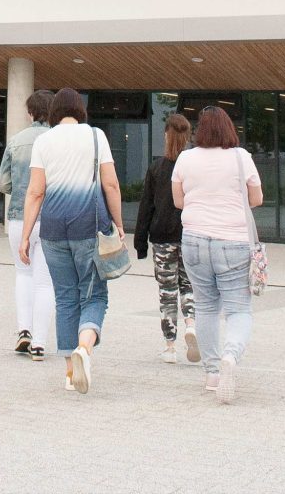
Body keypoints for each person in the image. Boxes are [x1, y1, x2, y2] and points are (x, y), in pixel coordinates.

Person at [19, 87, 124, 395]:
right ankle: (84, 349)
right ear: (81, 110)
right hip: (89, 228)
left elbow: (35, 191)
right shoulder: (95, 136)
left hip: (52, 231)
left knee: (65, 298)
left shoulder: (43, 140)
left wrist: (26, 235)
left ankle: (68, 372)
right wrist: (118, 224)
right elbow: (112, 184)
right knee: (94, 296)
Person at [172, 105, 262, 404]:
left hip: (194, 240)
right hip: (233, 241)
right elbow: (257, 198)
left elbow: (178, 200)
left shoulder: (185, 158)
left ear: (200, 129)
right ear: (228, 129)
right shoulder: (241, 157)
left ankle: (211, 374)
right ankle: (230, 357)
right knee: (238, 309)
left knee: (206, 307)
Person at [133, 113, 198, 365]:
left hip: (161, 237)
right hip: (190, 235)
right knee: (189, 286)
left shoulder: (157, 167)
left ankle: (170, 347)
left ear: (167, 136)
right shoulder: (194, 166)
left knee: (167, 290)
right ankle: (191, 324)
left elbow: (146, 206)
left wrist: (140, 242)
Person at [0, 89, 55, 360]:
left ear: (30, 112)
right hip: (50, 218)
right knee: (45, 282)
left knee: (23, 274)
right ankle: (40, 343)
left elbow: (2, 184)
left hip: (20, 217)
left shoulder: (16, 140)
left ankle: (24, 330)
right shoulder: (57, 140)